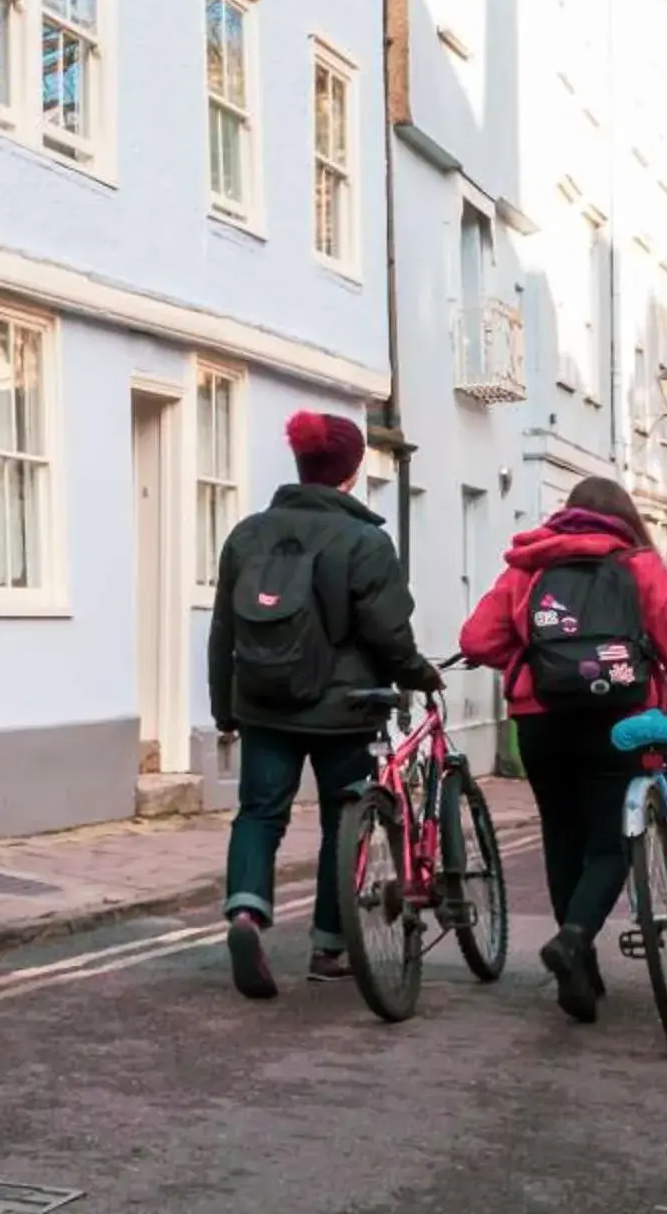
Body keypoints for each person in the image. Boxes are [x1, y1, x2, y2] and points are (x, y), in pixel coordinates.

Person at [459, 478, 667, 1024]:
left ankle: (581, 964)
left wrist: (539, 656)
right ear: (625, 516)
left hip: (540, 721)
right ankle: (572, 941)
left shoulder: (528, 567)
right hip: (620, 719)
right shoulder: (638, 564)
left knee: (562, 838)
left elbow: (477, 641)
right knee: (610, 844)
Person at [209, 411, 442, 1000]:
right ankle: (328, 946)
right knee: (346, 821)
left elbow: (224, 631)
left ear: (301, 465)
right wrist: (418, 674)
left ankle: (245, 916)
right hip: (345, 710)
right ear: (353, 470)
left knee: (259, 814)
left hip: (264, 704)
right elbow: (389, 632)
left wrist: (225, 709)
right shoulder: (365, 540)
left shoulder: (248, 534)